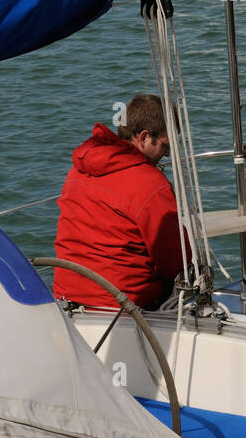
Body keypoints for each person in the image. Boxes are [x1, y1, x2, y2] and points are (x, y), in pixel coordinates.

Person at [53, 94, 189, 310]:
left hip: (66, 299)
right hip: (122, 307)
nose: (167, 154)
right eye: (165, 146)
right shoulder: (151, 184)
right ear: (144, 137)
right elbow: (174, 261)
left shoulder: (79, 169)